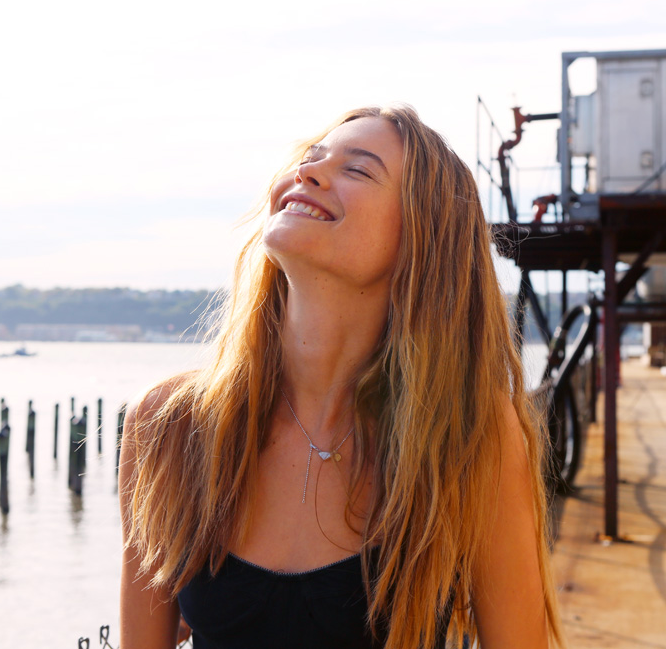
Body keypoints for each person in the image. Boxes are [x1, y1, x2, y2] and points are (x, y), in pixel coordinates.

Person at [119, 105, 565, 648]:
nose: (307, 172)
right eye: (309, 159)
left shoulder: (469, 435)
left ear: (421, 239)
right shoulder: (170, 424)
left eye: (357, 169)